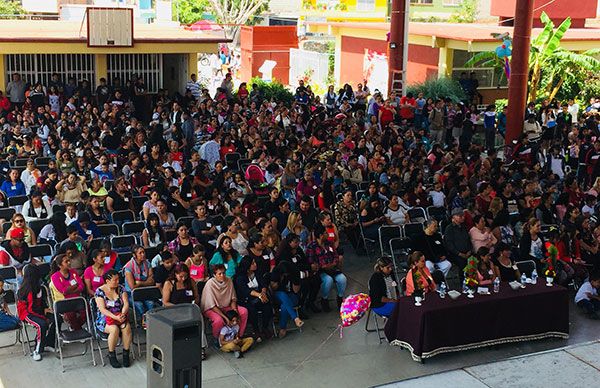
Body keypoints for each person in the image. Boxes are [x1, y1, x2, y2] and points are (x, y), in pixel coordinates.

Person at [94, 269, 133, 368]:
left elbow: (126, 303)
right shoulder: (99, 291)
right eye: (115, 280)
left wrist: (122, 314)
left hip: (119, 315)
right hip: (105, 318)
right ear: (107, 281)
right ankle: (112, 354)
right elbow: (102, 309)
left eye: (118, 279)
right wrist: (115, 317)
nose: (117, 281)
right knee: (114, 329)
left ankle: (126, 354)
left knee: (126, 327)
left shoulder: (121, 288)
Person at [17, 265, 56, 361]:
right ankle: (37, 350)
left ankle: (47, 343)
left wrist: (46, 309)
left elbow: (43, 302)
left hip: (39, 311)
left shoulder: (40, 288)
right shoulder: (25, 290)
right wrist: (43, 313)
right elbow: (30, 309)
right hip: (27, 314)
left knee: (57, 318)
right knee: (41, 325)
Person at [201, 264, 249, 340]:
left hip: (226, 306)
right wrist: (225, 317)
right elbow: (212, 305)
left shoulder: (229, 280)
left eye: (223, 273)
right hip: (211, 308)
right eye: (219, 274)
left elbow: (233, 299)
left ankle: (238, 335)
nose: (222, 275)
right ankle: (218, 339)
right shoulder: (210, 284)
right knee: (219, 320)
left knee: (243, 312)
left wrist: (235, 311)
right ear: (214, 275)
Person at [305, 224, 347, 312]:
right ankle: (324, 299)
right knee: (328, 280)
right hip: (320, 271)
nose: (327, 234)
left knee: (342, 279)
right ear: (320, 235)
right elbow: (311, 262)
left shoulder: (329, 243)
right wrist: (322, 266)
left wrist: (334, 263)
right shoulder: (311, 247)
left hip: (332, 268)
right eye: (325, 233)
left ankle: (340, 297)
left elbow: (335, 255)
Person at [234, 256, 273, 341]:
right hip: (245, 299)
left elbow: (263, 284)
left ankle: (265, 327)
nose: (255, 264)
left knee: (267, 305)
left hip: (258, 297)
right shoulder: (240, 277)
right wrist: (259, 295)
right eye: (253, 263)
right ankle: (256, 330)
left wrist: (263, 293)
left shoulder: (257, 273)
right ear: (247, 266)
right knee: (252, 310)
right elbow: (246, 291)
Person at [267, 260, 305, 338]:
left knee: (284, 306)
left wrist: (294, 280)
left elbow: (296, 291)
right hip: (279, 296)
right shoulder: (276, 273)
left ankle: (283, 327)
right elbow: (273, 290)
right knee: (282, 294)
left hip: (292, 296)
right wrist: (278, 280)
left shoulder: (294, 272)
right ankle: (295, 318)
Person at [49, 254, 86, 330]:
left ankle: (75, 327)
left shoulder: (73, 272)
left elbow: (82, 286)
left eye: (69, 260)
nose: (69, 263)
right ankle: (77, 330)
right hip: (65, 301)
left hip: (77, 299)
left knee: (87, 312)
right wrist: (75, 286)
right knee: (71, 315)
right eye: (66, 261)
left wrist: (71, 289)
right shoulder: (55, 276)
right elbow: (63, 291)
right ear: (60, 265)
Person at [122, 245, 156, 326]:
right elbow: (132, 286)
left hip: (145, 291)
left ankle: (152, 322)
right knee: (139, 305)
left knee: (150, 303)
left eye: (143, 252)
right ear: (134, 255)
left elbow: (152, 281)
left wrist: (140, 283)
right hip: (132, 293)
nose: (143, 254)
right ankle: (143, 322)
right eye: (140, 253)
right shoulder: (128, 267)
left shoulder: (147, 263)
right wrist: (146, 282)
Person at [444, 208, 472, 282]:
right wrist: (459, 254)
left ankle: (472, 282)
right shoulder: (449, 229)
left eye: (463, 216)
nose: (463, 217)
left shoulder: (464, 227)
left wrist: (469, 250)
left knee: (473, 260)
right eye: (460, 216)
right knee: (462, 263)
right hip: (455, 254)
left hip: (467, 252)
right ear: (454, 217)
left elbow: (469, 240)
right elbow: (449, 244)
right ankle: (463, 284)